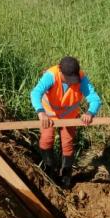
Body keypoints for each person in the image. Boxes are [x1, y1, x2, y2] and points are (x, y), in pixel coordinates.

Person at [30, 56, 102, 188]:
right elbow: (35, 93)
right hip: (49, 115)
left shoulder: (81, 79)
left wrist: (90, 113)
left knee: (67, 143)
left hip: (69, 117)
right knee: (46, 140)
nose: (73, 82)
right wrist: (41, 112)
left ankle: (66, 174)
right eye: (70, 79)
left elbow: (95, 99)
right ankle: (49, 170)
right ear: (61, 72)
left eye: (74, 79)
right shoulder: (51, 75)